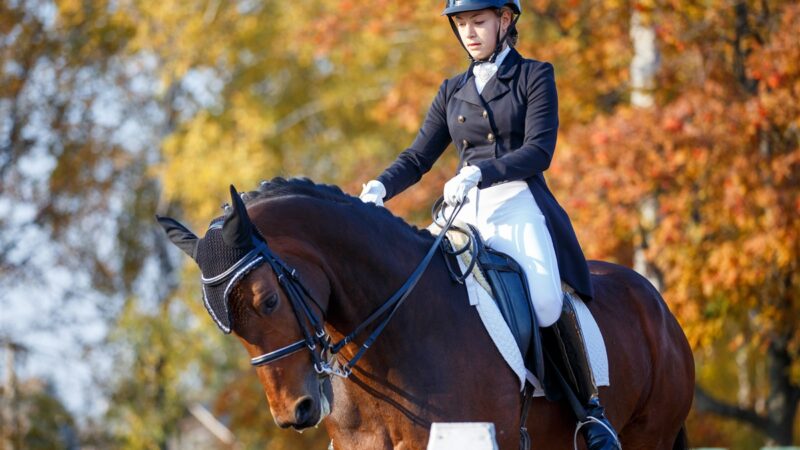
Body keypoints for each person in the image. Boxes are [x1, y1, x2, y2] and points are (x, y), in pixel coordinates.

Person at [359, 1, 620, 448]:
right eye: (461, 24)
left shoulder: (534, 76)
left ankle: (589, 412)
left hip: (516, 202)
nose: (470, 33)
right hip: (463, 212)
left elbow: (540, 151)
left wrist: (482, 172)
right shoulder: (451, 89)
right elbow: (419, 157)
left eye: (478, 22)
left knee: (544, 303)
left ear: (505, 21)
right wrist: (380, 188)